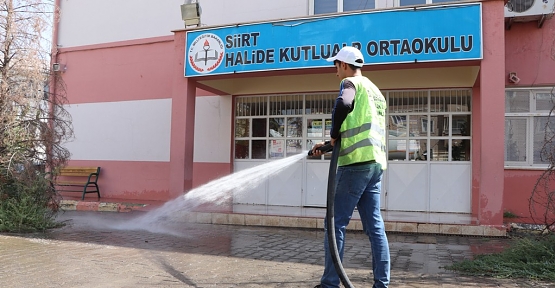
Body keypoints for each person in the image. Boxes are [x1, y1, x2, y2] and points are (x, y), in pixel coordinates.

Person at [311, 46, 390, 288]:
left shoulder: (350, 83)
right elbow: (358, 126)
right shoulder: (375, 90)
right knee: (375, 227)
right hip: (375, 163)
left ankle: (330, 284)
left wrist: (333, 134)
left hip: (355, 163)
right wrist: (329, 143)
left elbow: (343, 105)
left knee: (334, 224)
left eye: (335, 65)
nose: (335, 70)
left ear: (344, 65)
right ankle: (382, 284)